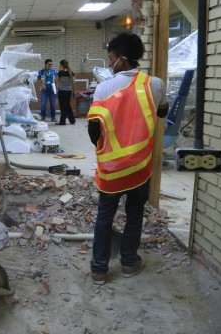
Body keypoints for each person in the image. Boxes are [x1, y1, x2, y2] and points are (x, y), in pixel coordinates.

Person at [87, 33, 169, 285]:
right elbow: (162, 111)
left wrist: (106, 149)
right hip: (139, 167)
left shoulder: (103, 88)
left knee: (105, 216)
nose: (109, 64)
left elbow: (93, 130)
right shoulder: (154, 84)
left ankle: (99, 269)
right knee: (134, 215)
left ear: (122, 59)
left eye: (111, 59)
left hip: (111, 169)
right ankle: (129, 263)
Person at [56, 59, 76, 125]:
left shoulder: (61, 73)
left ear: (61, 65)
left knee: (63, 107)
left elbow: (55, 80)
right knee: (67, 105)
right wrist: (74, 91)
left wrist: (57, 71)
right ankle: (72, 120)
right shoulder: (71, 73)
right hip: (69, 91)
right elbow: (73, 82)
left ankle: (62, 121)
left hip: (62, 91)